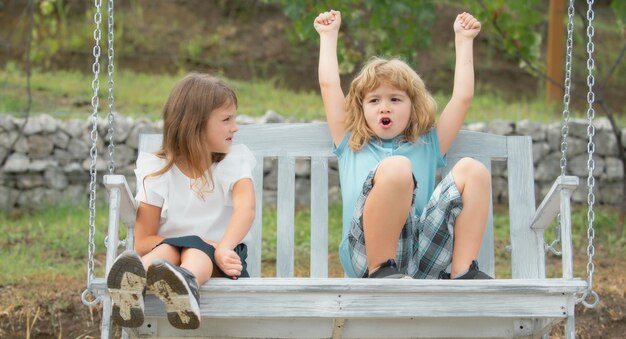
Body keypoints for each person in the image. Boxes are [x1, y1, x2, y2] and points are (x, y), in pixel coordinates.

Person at [314, 10, 492, 280]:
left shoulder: (428, 144)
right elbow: (328, 85)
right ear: (362, 109)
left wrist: (463, 40)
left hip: (421, 257)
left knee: (472, 170)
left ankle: (463, 273)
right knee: (397, 168)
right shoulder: (351, 142)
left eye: (395, 100)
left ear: (413, 107)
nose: (384, 107)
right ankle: (381, 270)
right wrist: (328, 36)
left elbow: (462, 98)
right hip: (364, 256)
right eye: (374, 101)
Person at [106, 73, 256, 329]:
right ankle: (132, 283)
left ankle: (185, 283)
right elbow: (143, 241)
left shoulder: (233, 160)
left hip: (223, 258)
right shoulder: (158, 169)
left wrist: (222, 247)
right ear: (195, 125)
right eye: (226, 119)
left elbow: (247, 208)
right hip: (168, 259)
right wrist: (192, 241)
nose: (235, 127)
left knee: (195, 250)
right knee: (171, 249)